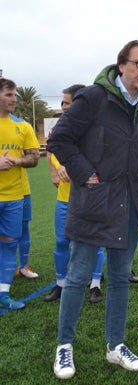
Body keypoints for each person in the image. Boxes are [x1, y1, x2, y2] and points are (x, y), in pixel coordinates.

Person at [47, 40, 138, 379]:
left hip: (131, 202)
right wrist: (85, 174)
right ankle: (64, 346)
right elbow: (59, 139)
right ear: (121, 64)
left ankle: (115, 345)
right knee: (78, 276)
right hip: (95, 200)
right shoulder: (94, 97)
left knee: (121, 277)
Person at [44, 84, 106, 304]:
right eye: (62, 102)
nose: (63, 107)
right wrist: (57, 167)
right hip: (64, 198)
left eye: (68, 102)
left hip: (89, 197)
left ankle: (95, 284)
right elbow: (52, 149)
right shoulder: (61, 127)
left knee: (95, 242)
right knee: (61, 242)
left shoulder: (94, 127)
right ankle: (60, 284)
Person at [0, 78, 40, 310]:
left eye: (15, 94)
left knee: (8, 244)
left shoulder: (23, 126)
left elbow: (34, 157)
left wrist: (17, 160)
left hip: (15, 197)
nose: (14, 98)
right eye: (8, 94)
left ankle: (3, 294)